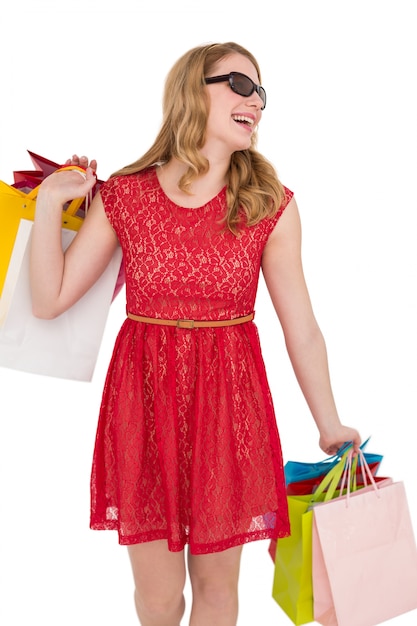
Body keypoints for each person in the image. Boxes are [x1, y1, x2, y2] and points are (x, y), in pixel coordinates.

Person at [30, 42, 361, 626]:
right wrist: (54, 202)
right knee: (157, 600)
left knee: (217, 590)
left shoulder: (269, 206)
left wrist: (329, 424)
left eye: (260, 91)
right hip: (145, 403)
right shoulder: (127, 195)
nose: (253, 100)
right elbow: (48, 300)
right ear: (192, 89)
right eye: (238, 83)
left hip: (229, 406)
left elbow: (302, 328)